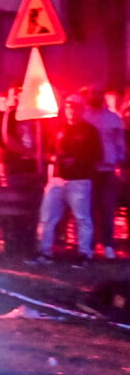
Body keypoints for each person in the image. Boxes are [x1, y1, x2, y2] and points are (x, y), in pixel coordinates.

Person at [32, 94, 103, 267]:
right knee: (47, 217)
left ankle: (84, 254)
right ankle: (45, 252)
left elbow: (97, 155)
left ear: (82, 110)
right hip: (57, 178)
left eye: (75, 107)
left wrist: (77, 160)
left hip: (80, 180)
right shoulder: (58, 129)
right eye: (69, 107)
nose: (71, 110)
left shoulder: (90, 130)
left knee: (82, 218)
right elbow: (48, 151)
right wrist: (54, 158)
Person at [81, 86, 126, 260]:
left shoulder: (113, 118)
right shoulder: (83, 117)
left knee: (108, 209)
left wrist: (120, 166)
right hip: (89, 170)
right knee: (89, 210)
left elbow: (119, 143)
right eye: (92, 93)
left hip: (108, 170)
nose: (95, 96)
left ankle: (108, 245)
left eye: (98, 93)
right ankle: (90, 246)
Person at [0, 86, 36, 187]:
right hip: (13, 165)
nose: (17, 97)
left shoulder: (27, 113)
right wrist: (29, 153)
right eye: (14, 95)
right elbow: (8, 139)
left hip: (26, 165)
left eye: (19, 93)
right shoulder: (10, 115)